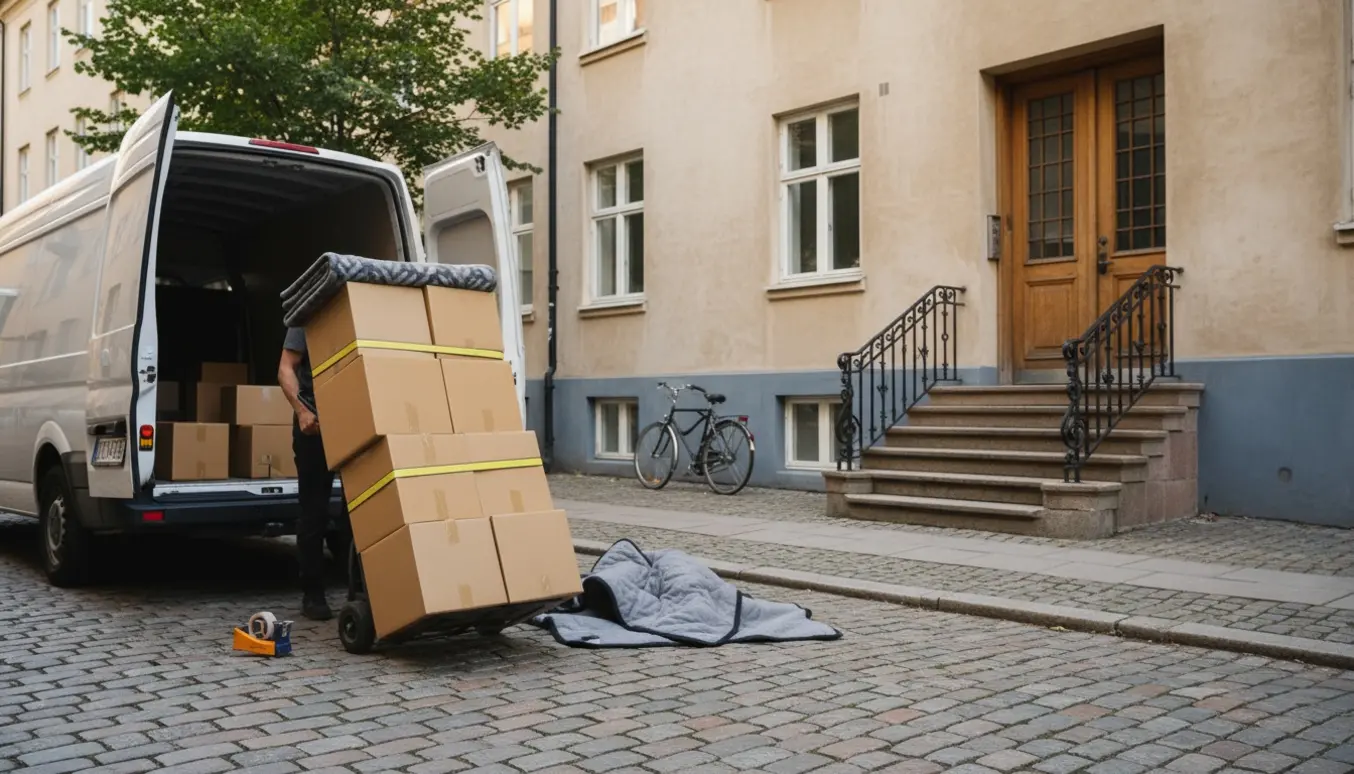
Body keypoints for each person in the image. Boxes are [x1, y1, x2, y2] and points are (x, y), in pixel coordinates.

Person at [279, 327, 349, 620]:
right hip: (314, 424)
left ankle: (362, 588)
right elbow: (285, 368)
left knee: (357, 510)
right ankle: (313, 593)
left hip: (353, 419)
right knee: (314, 511)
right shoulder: (307, 315)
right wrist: (302, 411)